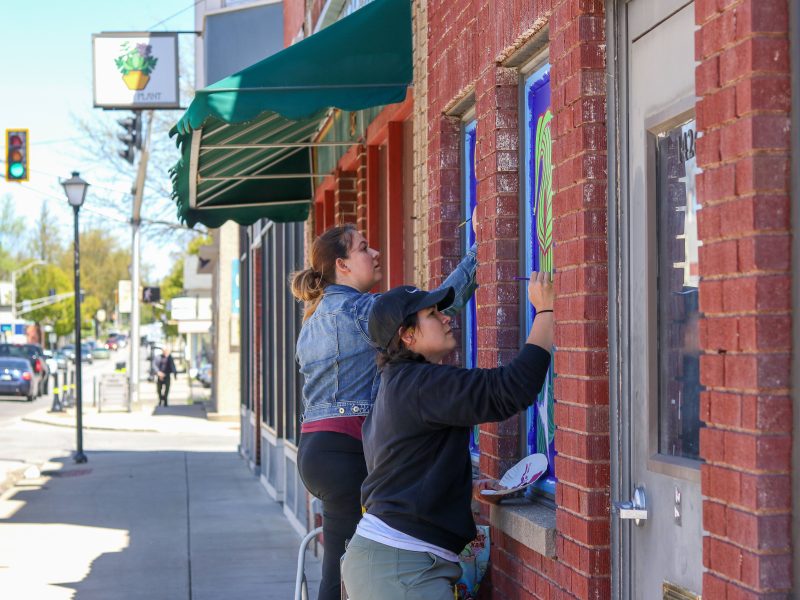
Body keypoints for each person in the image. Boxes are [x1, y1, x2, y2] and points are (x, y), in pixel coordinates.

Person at [291, 222, 478, 600]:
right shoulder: (363, 311)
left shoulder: (312, 320)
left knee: (346, 562)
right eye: (363, 248)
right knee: (344, 569)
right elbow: (441, 304)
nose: (375, 253)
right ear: (342, 265)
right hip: (346, 452)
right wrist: (478, 253)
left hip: (316, 449)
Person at [341, 271, 555, 599]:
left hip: (392, 562)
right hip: (399, 568)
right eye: (431, 314)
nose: (445, 318)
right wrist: (546, 312)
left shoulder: (399, 385)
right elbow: (511, 389)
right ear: (407, 335)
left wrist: (462, 488)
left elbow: (401, 472)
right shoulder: (421, 384)